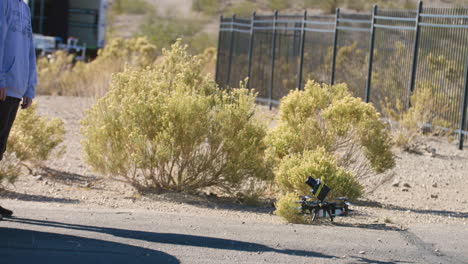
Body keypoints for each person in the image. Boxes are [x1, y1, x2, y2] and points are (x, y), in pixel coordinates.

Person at [0, 0, 37, 218]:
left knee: (0, 148)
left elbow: (29, 49)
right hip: (4, 86)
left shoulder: (25, 7)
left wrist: (30, 86)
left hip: (16, 88)